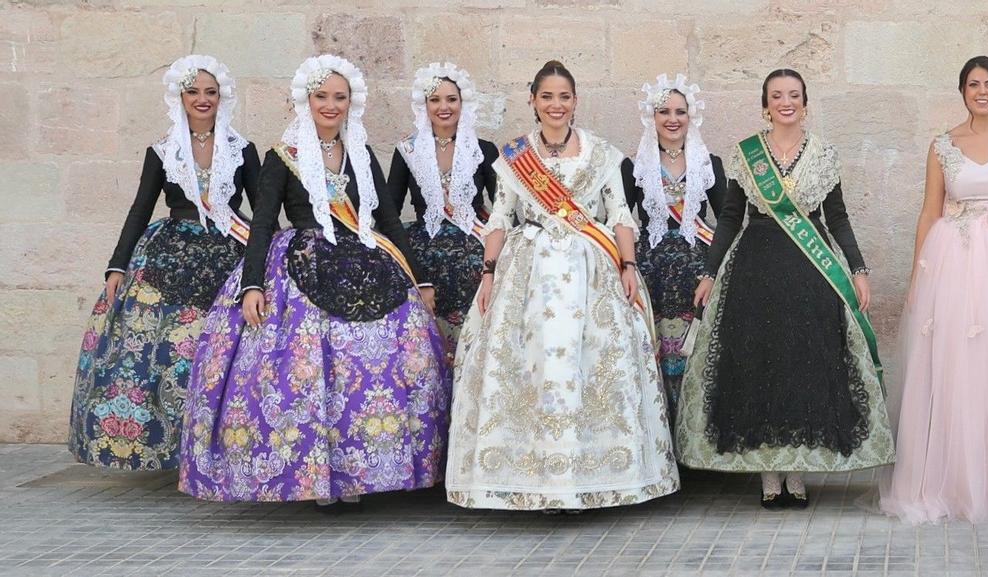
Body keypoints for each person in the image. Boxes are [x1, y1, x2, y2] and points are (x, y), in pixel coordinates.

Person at [180, 55, 448, 511]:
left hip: (367, 266)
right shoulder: (282, 157)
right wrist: (252, 285)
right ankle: (317, 474)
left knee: (367, 370)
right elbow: (262, 225)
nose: (330, 105)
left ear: (350, 103)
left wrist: (418, 277)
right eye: (322, 96)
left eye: (339, 98)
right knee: (312, 372)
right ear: (306, 100)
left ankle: (361, 470)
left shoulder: (361, 155)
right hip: (300, 268)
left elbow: (388, 218)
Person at [446, 60, 678, 512]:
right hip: (526, 274)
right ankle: (539, 483)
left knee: (587, 367)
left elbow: (620, 217)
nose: (556, 105)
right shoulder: (514, 157)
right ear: (533, 100)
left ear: (575, 102)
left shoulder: (602, 154)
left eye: (564, 96)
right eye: (547, 96)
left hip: (591, 271)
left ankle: (586, 479)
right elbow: (499, 218)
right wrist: (488, 272)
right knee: (534, 370)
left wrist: (628, 265)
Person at [679, 69, 895, 509]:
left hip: (810, 273)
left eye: (793, 95)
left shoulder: (824, 155)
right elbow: (729, 218)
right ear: (765, 105)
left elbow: (837, 218)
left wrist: (857, 268)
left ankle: (796, 473)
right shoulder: (747, 155)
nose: (785, 102)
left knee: (803, 365)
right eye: (777, 96)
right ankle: (768, 475)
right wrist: (708, 272)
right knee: (759, 366)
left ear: (805, 102)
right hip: (753, 271)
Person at [881, 56, 988, 524]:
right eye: (973, 84)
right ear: (962, 91)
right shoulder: (942, 145)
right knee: (957, 360)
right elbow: (928, 210)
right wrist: (920, 273)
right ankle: (952, 476)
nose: (982, 91)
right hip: (954, 259)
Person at [72, 55, 258, 471]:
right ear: (180, 96)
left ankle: (226, 447)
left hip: (231, 254)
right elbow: (140, 209)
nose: (202, 99)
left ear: (221, 96)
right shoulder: (162, 151)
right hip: (170, 256)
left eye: (210, 92)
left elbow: (262, 211)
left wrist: (271, 262)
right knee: (170, 352)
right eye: (194, 92)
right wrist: (117, 265)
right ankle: (173, 450)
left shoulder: (242, 149)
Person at [383, 62, 499, 361]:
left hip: (473, 245)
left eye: (451, 99)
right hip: (424, 248)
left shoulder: (484, 150)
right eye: (435, 100)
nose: (443, 107)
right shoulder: (407, 150)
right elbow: (390, 209)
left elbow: (501, 207)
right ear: (424, 105)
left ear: (463, 102)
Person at [619, 73, 723, 404]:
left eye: (680, 112)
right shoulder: (634, 168)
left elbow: (727, 222)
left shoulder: (711, 166)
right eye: (664, 112)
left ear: (691, 116)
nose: (672, 119)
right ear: (652, 117)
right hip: (651, 274)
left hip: (697, 272)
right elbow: (621, 219)